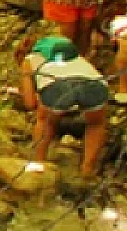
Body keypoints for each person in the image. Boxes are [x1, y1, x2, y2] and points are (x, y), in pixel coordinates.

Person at [17, 34, 108, 177]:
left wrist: (38, 96)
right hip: (95, 84)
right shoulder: (76, 56)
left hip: (58, 87)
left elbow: (29, 103)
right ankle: (87, 169)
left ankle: (39, 163)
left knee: (45, 122)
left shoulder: (29, 60)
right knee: (96, 123)